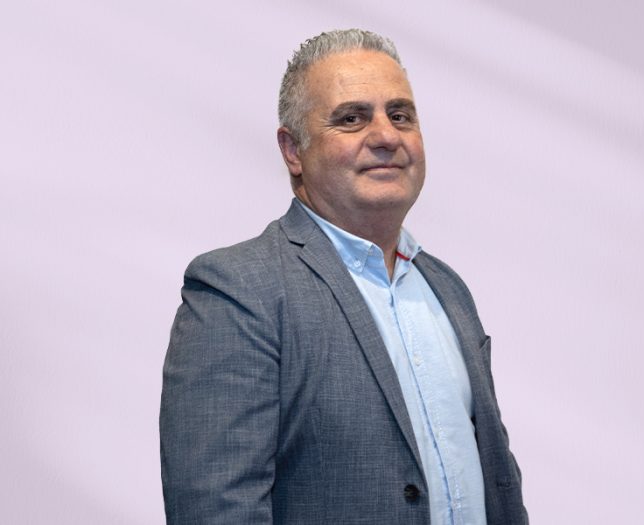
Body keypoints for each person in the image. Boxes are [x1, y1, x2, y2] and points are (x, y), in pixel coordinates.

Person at [160, 29, 528, 525]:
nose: (386, 136)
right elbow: (216, 511)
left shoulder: (447, 289)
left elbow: (496, 482)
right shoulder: (239, 291)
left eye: (400, 115)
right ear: (293, 150)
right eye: (352, 118)